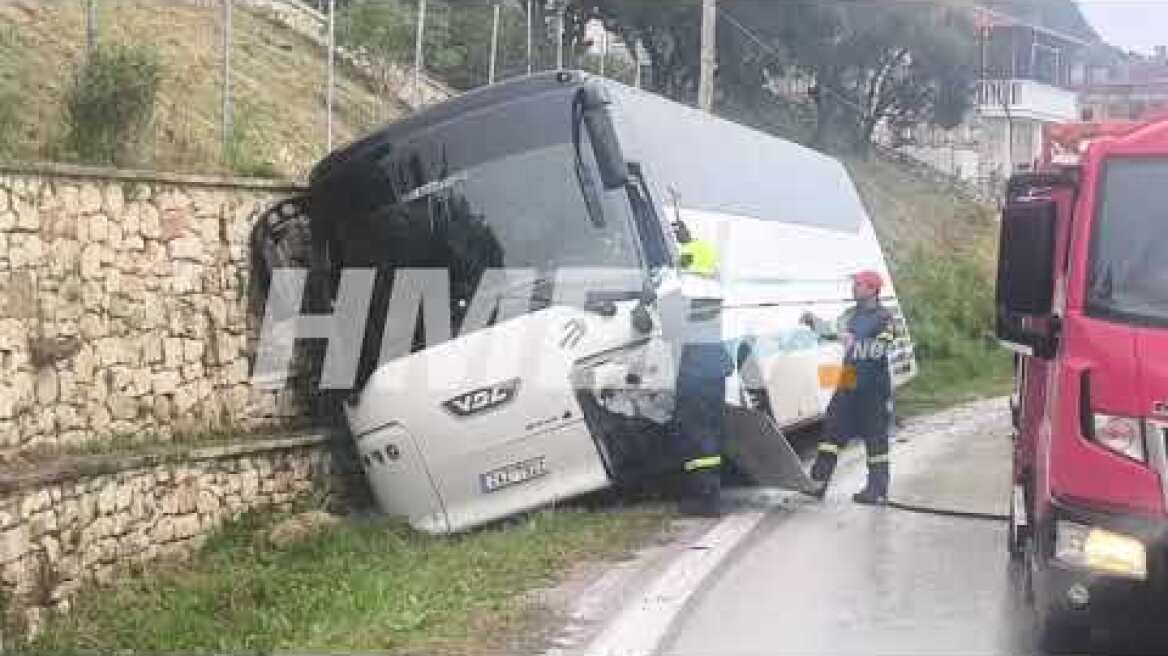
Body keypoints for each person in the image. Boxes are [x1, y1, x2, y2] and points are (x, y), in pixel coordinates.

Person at [799, 270, 897, 505]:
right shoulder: (850, 314)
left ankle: (877, 489)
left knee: (875, 438)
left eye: (859, 284)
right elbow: (834, 331)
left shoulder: (885, 318)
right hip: (848, 379)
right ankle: (817, 483)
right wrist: (814, 323)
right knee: (831, 432)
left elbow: (880, 348)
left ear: (872, 289)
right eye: (855, 284)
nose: (854, 288)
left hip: (873, 385)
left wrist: (856, 343)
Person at [669, 220, 731, 517]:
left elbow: (668, 326)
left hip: (695, 370)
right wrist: (687, 239)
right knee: (711, 431)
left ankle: (706, 500)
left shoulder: (683, 293)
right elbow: (700, 254)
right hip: (715, 369)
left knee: (697, 435)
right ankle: (711, 493)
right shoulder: (712, 288)